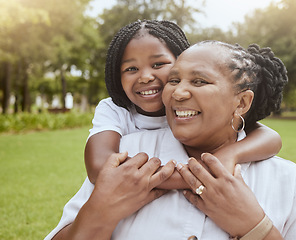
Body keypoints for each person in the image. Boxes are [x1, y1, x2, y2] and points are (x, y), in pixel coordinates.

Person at [45, 41, 296, 240]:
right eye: (174, 80)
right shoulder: (124, 158)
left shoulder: (289, 181)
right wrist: (99, 214)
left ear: (241, 102)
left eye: (199, 82)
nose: (178, 94)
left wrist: (254, 227)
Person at [84, 19, 282, 188]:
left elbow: (269, 137)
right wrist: (189, 178)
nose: (145, 77)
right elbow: (99, 167)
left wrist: (231, 154)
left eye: (158, 64)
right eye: (131, 68)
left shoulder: (194, 109)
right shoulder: (115, 110)